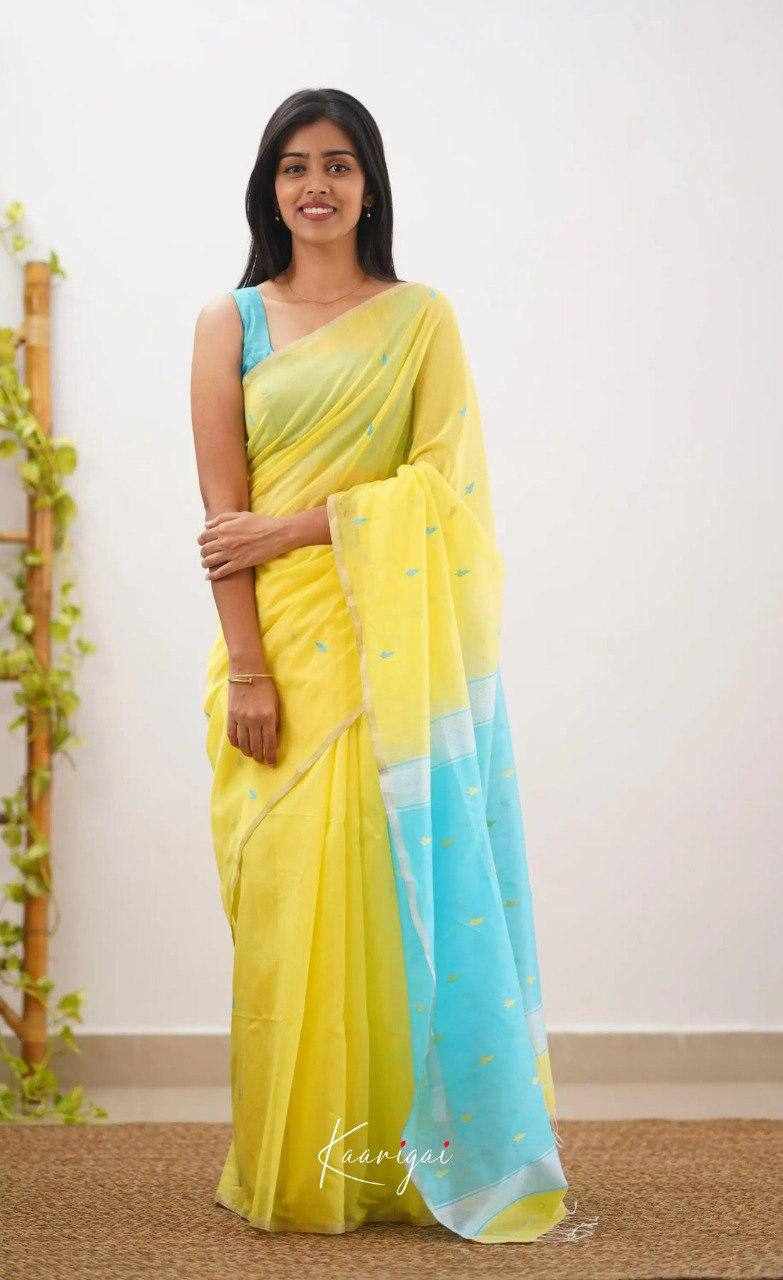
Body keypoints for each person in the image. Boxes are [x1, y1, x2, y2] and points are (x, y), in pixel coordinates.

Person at [190, 87, 595, 1245]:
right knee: (288, 906)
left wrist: (294, 524)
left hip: (392, 656)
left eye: (338, 164)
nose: (315, 185)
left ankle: (420, 1163)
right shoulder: (231, 321)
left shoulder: (420, 320)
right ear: (269, 188)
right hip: (281, 650)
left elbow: (443, 491)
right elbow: (223, 524)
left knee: (396, 895)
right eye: (294, 166)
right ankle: (306, 1163)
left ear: (370, 185)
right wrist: (248, 668)